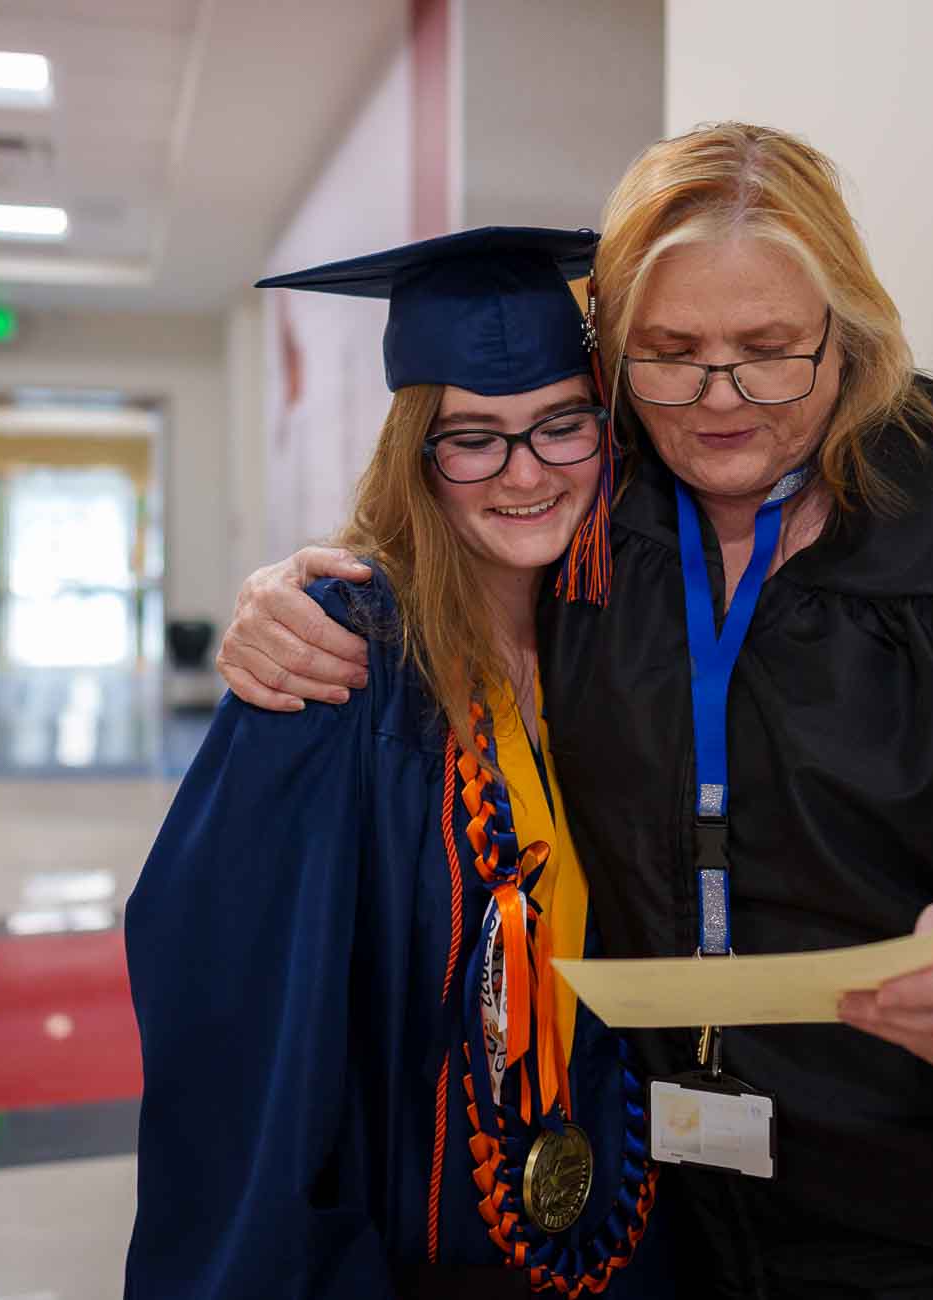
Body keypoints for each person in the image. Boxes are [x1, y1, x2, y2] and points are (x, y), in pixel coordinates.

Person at [214, 124, 933, 1297]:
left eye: (770, 350)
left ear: (848, 329)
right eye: (671, 352)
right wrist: (287, 592)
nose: (720, 399)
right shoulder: (604, 503)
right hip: (682, 1216)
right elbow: (456, 533)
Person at [124, 228, 673, 1299]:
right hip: (414, 1252)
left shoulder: (615, 627)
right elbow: (232, 992)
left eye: (562, 425)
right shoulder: (343, 652)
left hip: (616, 1220)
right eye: (474, 438)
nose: (525, 472)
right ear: (419, 454)